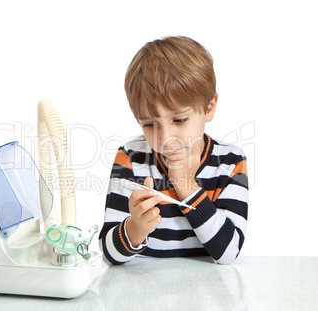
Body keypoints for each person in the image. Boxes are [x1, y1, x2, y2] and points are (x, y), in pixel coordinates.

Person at [99, 36, 248, 265]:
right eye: (150, 124)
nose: (166, 138)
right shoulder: (131, 157)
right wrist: (136, 228)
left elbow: (228, 253)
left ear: (209, 108)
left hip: (208, 292)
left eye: (179, 119)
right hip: (143, 292)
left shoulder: (230, 162)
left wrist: (186, 186)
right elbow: (109, 255)